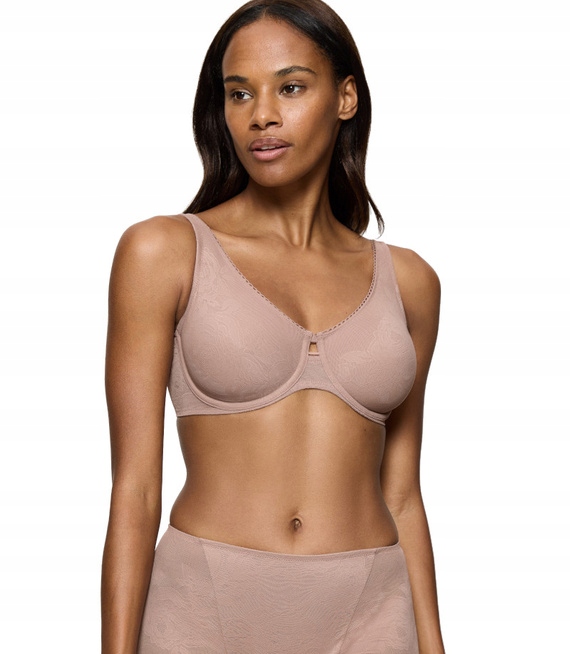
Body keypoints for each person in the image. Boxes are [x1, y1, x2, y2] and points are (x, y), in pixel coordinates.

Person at [101, 0, 445, 652]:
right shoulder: (164, 252)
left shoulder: (410, 282)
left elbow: (402, 494)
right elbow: (136, 491)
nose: (261, 114)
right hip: (204, 610)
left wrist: (434, 645)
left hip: (370, 614)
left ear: (345, 98)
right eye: (239, 93)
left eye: (290, 87)